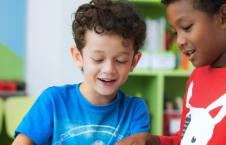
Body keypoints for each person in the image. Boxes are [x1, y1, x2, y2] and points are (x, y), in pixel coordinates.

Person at [116, 0, 226, 145]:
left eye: (187, 27)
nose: (180, 41)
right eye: (176, 32)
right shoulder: (198, 76)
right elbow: (190, 139)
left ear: (224, 17)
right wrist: (153, 141)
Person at [12, 0, 150, 144]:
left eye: (120, 60)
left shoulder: (135, 110)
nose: (109, 69)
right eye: (98, 59)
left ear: (134, 62)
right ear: (78, 57)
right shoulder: (53, 101)